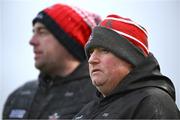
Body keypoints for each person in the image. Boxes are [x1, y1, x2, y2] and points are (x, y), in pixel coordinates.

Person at [3, 3, 101, 119]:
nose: (32, 41)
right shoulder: (19, 96)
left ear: (68, 40)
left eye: (42, 32)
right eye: (33, 32)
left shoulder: (99, 95)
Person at [74, 14, 180, 119]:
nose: (92, 60)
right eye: (91, 52)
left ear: (130, 59)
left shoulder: (153, 104)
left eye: (104, 50)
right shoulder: (85, 112)